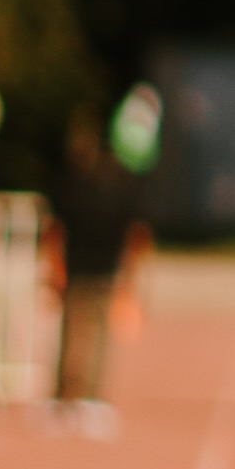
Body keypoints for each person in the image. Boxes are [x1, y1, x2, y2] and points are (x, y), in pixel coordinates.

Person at [42, 108, 146, 433]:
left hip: (89, 268)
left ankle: (77, 397)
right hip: (91, 268)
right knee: (85, 335)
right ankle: (74, 397)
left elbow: (133, 234)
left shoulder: (83, 183)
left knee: (79, 334)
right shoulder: (103, 184)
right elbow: (136, 236)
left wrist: (54, 265)